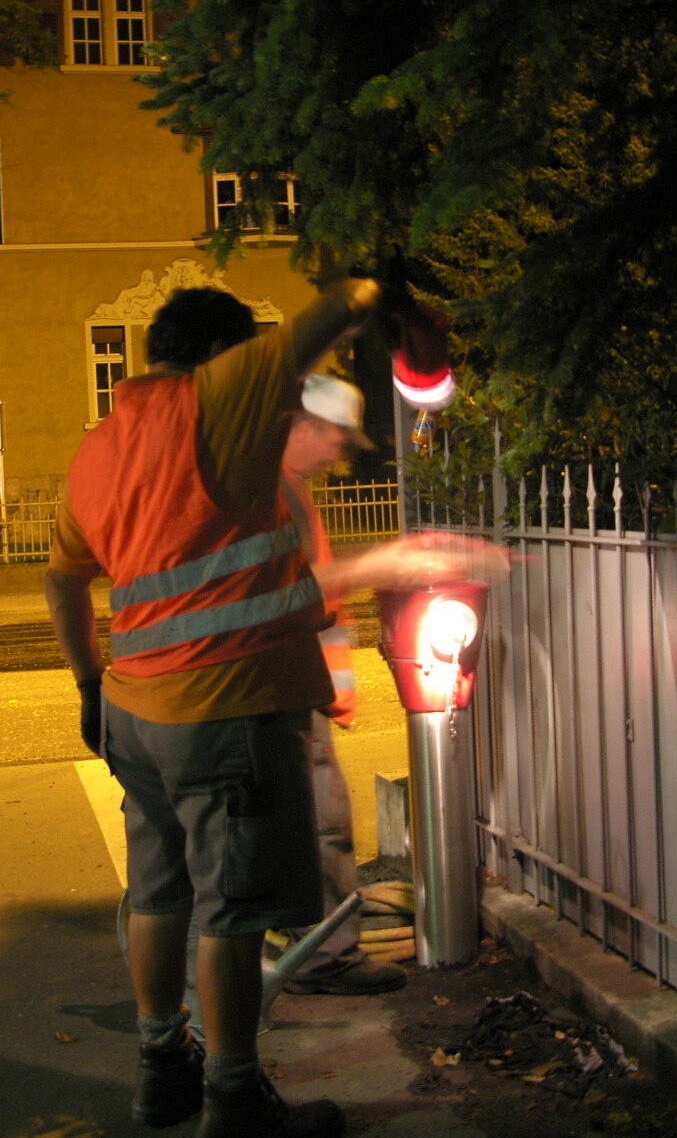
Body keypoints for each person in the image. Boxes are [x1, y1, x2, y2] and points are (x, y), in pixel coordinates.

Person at [45, 279, 388, 1138]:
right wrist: (375, 289)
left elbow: (63, 580)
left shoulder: (97, 449)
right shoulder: (217, 401)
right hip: (225, 705)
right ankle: (235, 1102)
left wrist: (87, 684)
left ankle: (163, 1070)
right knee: (231, 911)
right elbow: (325, 318)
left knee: (158, 893)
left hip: (134, 708)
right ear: (219, 356)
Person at [276, 374, 454, 996]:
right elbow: (295, 591)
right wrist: (377, 565)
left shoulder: (287, 488)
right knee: (322, 825)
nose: (340, 453)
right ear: (303, 426)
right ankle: (324, 960)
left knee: (303, 824)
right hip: (290, 691)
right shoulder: (277, 491)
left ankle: (303, 945)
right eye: (335, 437)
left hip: (298, 689)